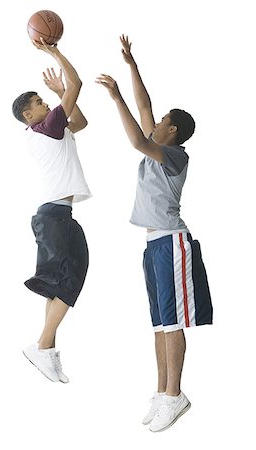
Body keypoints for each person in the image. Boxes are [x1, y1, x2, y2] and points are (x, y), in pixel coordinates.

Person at [96, 35, 213, 432]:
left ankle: (175, 394)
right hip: (153, 244)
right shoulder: (158, 145)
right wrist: (132, 65)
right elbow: (145, 106)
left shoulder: (175, 155)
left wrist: (114, 97)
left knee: (174, 321)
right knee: (160, 323)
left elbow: (135, 138)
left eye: (163, 120)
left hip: (172, 242)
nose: (156, 120)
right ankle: (163, 392)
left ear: (172, 130)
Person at [12, 37, 91, 383]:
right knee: (72, 276)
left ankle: (47, 349)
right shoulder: (46, 127)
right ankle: (42, 345)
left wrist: (62, 96)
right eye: (40, 102)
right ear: (29, 115)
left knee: (60, 281)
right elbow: (77, 84)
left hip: (55, 216)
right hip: (55, 216)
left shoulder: (50, 129)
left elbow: (83, 123)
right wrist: (54, 52)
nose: (46, 104)